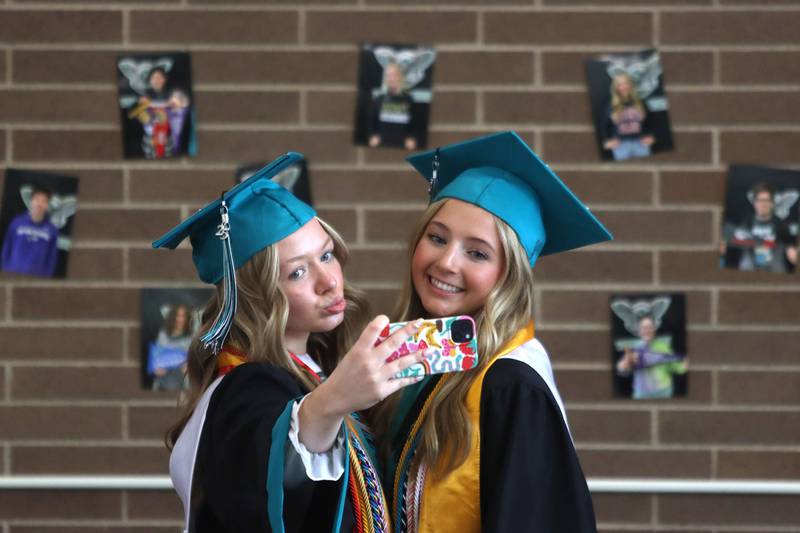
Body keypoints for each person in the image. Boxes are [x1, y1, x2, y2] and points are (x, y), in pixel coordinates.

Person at [153, 153, 426, 532]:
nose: (330, 281)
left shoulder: (309, 365)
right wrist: (334, 400)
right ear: (254, 295)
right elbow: (270, 485)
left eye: (327, 255)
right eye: (297, 272)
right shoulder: (246, 387)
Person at [369, 132, 612, 532]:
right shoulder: (425, 353)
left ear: (510, 275)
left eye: (477, 252)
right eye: (437, 237)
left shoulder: (511, 384)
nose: (446, 262)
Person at [721, 182, 798, 273]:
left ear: (772, 203)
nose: (762, 204)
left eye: (766, 200)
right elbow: (730, 242)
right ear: (754, 203)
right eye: (759, 200)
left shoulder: (783, 226)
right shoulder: (744, 224)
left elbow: (791, 244)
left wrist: (793, 251)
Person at [615, 316, 687, 400]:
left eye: (649, 327)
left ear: (654, 329)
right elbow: (623, 370)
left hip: (663, 393)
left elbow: (673, 367)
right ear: (639, 330)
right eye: (644, 327)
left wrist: (684, 366)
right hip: (641, 395)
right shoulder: (633, 347)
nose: (647, 330)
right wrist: (622, 366)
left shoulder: (663, 347)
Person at [128, 66, 190, 158]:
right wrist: (140, 108)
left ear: (164, 79)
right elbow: (132, 113)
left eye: (160, 77)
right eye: (154, 77)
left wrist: (178, 102)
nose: (157, 80)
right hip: (149, 137)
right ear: (150, 80)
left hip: (167, 136)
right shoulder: (144, 94)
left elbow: (186, 104)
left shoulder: (172, 93)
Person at [1, 184, 60, 278]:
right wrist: (5, 270)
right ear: (31, 201)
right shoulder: (16, 222)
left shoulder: (52, 230)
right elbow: (6, 248)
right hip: (12, 275)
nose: (39, 204)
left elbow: (51, 259)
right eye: (37, 199)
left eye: (44, 201)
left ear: (47, 205)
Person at [602, 72, 654, 161]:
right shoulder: (611, 105)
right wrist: (606, 141)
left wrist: (650, 135)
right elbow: (604, 125)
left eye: (626, 83)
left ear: (630, 85)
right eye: (620, 85)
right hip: (620, 145)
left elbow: (650, 122)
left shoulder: (641, 103)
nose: (623, 87)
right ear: (616, 88)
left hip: (641, 143)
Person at [368, 62, 419, 151]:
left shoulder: (409, 100)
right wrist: (373, 136)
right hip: (381, 145)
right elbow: (372, 124)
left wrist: (411, 138)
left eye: (394, 75)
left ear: (400, 77)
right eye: (388, 76)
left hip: (403, 146)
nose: (391, 78)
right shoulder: (378, 99)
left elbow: (415, 124)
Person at [148, 303, 193, 392]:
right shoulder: (162, 334)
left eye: (183, 316)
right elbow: (155, 360)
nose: (179, 319)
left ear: (187, 319)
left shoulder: (190, 339)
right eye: (177, 315)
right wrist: (155, 369)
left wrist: (188, 368)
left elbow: (192, 365)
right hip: (160, 385)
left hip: (179, 386)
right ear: (172, 317)